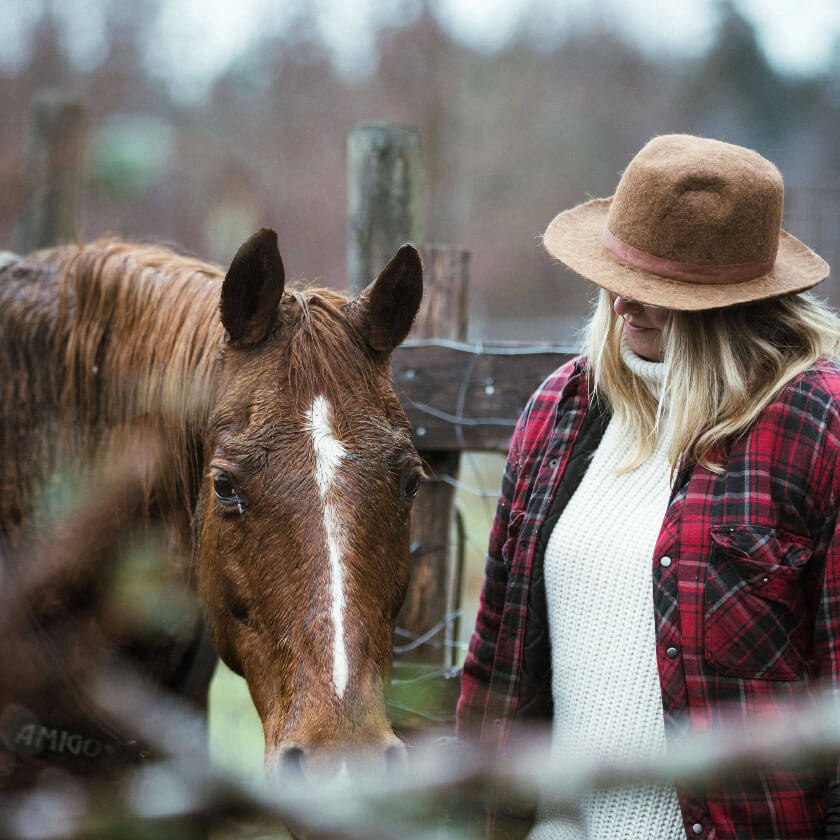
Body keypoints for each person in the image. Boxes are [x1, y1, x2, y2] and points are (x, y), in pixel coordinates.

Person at [456, 134, 840, 840]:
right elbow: (494, 665)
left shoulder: (815, 425)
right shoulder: (559, 413)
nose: (624, 300)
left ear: (735, 300)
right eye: (617, 271)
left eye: (663, 289)